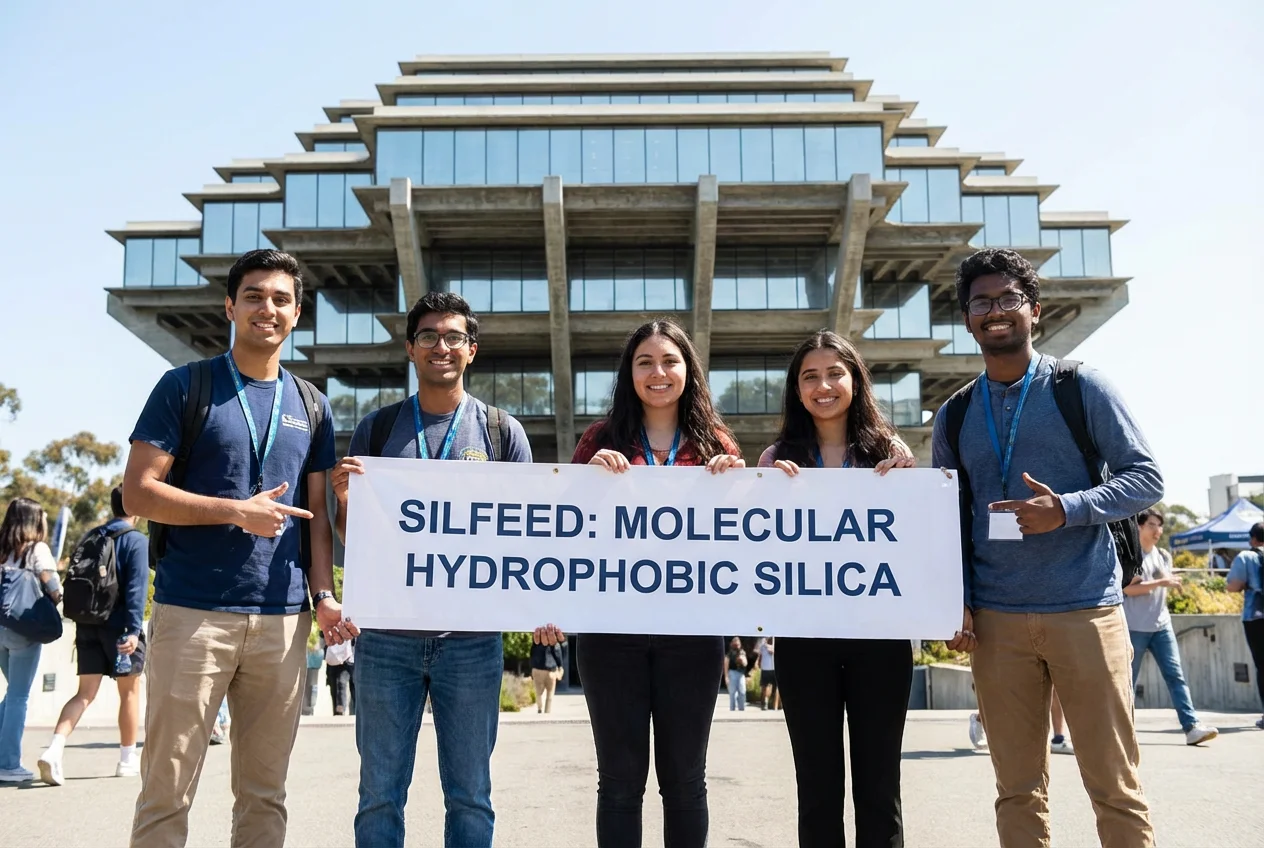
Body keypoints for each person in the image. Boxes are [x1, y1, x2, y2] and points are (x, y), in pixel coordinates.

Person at [123, 248, 353, 847]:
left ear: (296, 313)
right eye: (253, 295)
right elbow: (138, 493)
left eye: (280, 299)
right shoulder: (185, 386)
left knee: (264, 796)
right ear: (230, 306)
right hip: (191, 614)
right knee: (167, 790)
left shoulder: (312, 404)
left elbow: (318, 520)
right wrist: (235, 511)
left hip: (282, 622)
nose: (266, 308)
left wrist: (323, 595)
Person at [933, 248, 1163, 848]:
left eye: (1008, 299)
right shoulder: (955, 413)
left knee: (1113, 786)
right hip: (996, 624)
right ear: (967, 320)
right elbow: (946, 520)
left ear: (1034, 311)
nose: (995, 311)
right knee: (1016, 792)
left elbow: (1146, 477)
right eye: (981, 302)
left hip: (1085, 609)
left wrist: (1066, 508)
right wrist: (953, 600)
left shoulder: (1079, 386)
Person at [332, 290, 541, 848]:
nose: (440, 346)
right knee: (378, 796)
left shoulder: (501, 432)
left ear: (471, 350)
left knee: (471, 796)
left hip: (471, 641)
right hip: (386, 641)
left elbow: (524, 533)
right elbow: (358, 543)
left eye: (453, 337)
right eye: (428, 336)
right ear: (410, 348)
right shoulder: (376, 431)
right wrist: (348, 505)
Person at [561, 318, 744, 848]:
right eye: (645, 362)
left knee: (686, 781)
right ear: (629, 373)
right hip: (610, 633)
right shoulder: (599, 438)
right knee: (619, 783)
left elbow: (742, 540)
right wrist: (587, 479)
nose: (658, 372)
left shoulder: (716, 442)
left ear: (689, 370)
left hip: (692, 635)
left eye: (670, 361)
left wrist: (735, 488)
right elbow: (566, 530)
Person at [760, 329, 917, 847]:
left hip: (881, 640)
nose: (823, 385)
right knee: (818, 789)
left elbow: (917, 539)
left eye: (834, 373)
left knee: (881, 788)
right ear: (796, 390)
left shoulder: (890, 452)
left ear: (855, 381)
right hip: (805, 644)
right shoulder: (774, 460)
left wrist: (911, 483)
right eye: (810, 376)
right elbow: (757, 554)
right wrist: (766, 495)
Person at [37, 487, 149, 785]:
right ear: (134, 506)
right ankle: (126, 759)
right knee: (129, 693)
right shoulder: (135, 541)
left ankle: (54, 749)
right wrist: (134, 631)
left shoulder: (91, 536)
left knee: (84, 694)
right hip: (120, 630)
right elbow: (136, 590)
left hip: (87, 624)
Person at [1124, 508, 1218, 744]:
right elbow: (1128, 589)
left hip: (1161, 625)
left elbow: (1162, 580)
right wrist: (1161, 582)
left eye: (1160, 525)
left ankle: (1191, 727)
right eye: (1153, 525)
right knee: (1127, 681)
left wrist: (1171, 581)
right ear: (1139, 526)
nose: (1158, 530)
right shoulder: (1131, 556)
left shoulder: (1163, 555)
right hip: (1135, 627)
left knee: (1176, 676)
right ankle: (1123, 733)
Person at [0, 498, 61, 783]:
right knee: (19, 696)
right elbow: (51, 583)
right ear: (34, 520)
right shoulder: (37, 549)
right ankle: (9, 763)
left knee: (12, 693)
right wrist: (58, 595)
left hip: (0, 627)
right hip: (23, 631)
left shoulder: (3, 549)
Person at [1226, 521, 1264, 730]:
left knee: (1263, 666)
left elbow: (1232, 586)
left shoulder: (1246, 556)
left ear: (1253, 538)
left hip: (1256, 618)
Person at [530, 635, 565, 714]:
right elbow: (557, 654)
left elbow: (532, 655)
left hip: (537, 669)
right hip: (550, 670)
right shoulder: (553, 641)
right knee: (550, 693)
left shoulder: (536, 641)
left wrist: (531, 668)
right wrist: (560, 667)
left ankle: (540, 708)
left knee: (538, 692)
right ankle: (547, 712)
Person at [326, 635, 355, 716]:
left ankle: (351, 710)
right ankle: (340, 709)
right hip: (338, 658)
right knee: (340, 683)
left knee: (351, 684)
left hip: (351, 655)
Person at [724, 637, 748, 712]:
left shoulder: (742, 652)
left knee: (742, 691)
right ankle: (732, 709)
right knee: (732, 692)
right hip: (732, 672)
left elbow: (745, 663)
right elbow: (726, 664)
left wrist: (742, 661)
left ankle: (741, 708)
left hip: (741, 674)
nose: (737, 646)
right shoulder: (730, 653)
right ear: (732, 644)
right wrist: (726, 676)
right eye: (736, 644)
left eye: (738, 644)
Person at [304, 632, 324, 716]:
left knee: (312, 684)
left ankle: (309, 707)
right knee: (309, 685)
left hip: (314, 656)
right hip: (310, 655)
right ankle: (307, 707)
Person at [757, 636, 778, 711]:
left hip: (773, 668)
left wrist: (767, 645)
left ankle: (775, 706)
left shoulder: (773, 646)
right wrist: (759, 663)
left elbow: (771, 651)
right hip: (765, 669)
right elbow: (760, 655)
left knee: (776, 688)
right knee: (764, 687)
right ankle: (764, 703)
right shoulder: (762, 646)